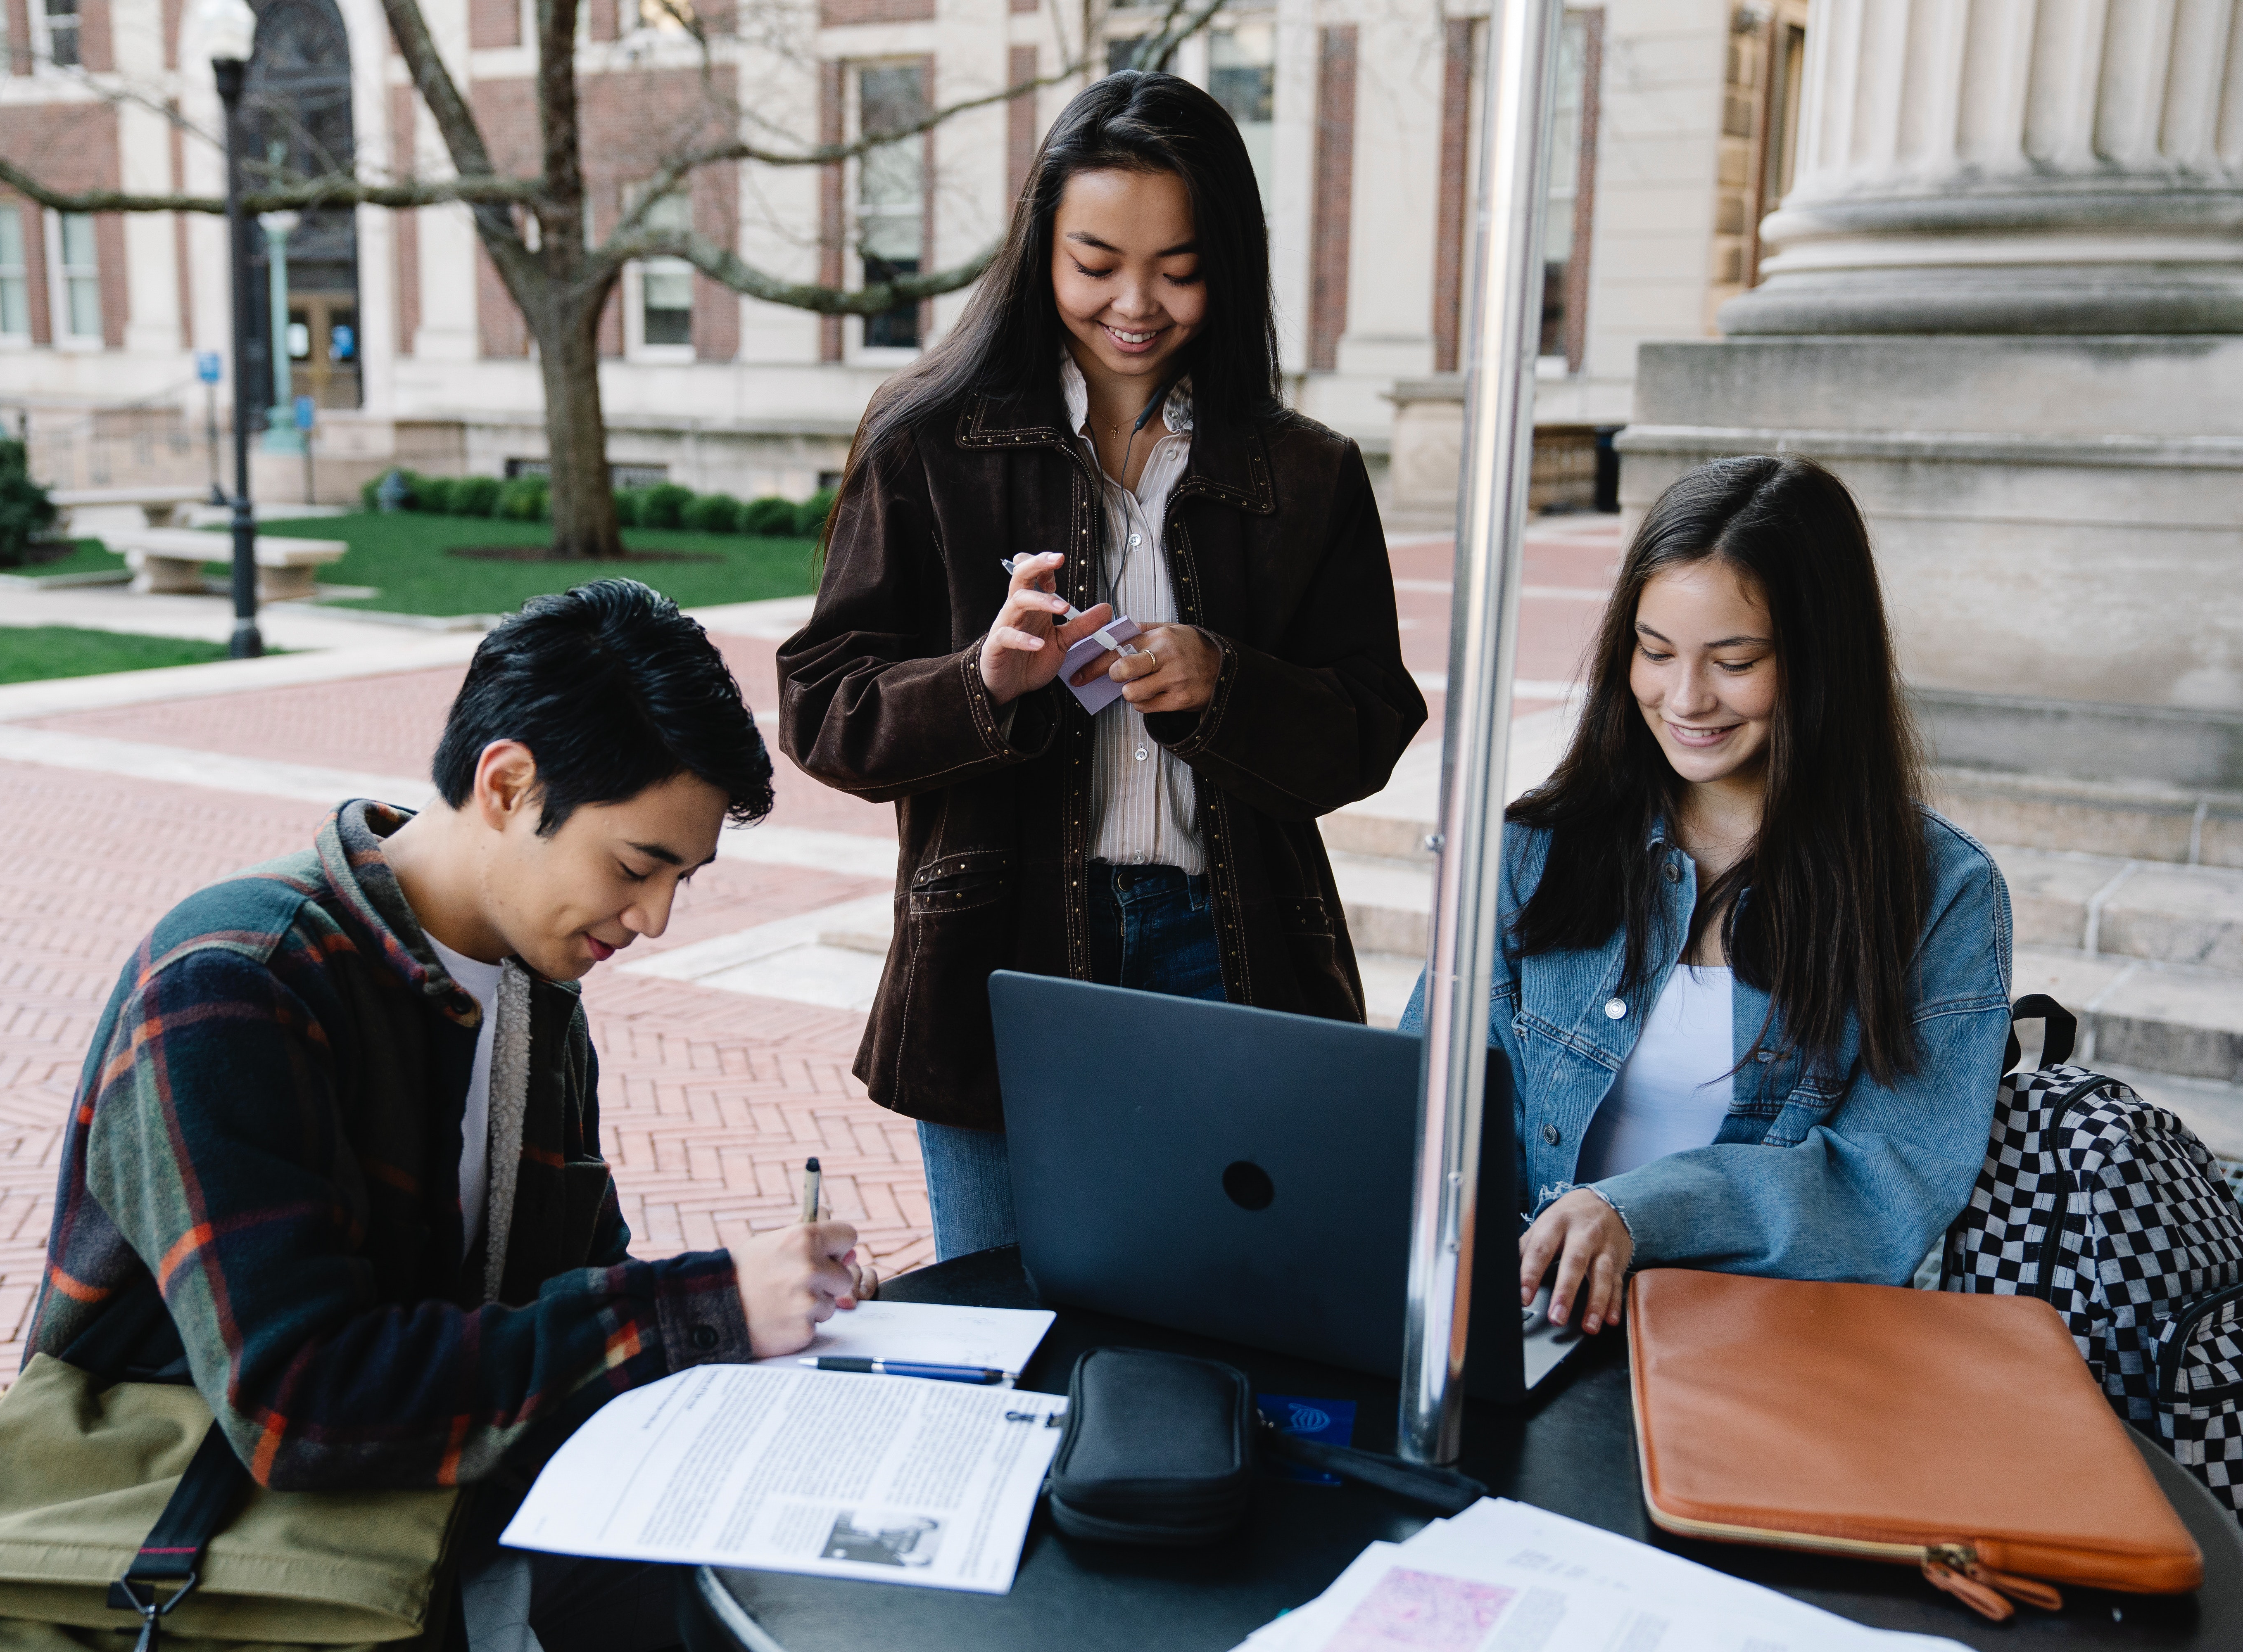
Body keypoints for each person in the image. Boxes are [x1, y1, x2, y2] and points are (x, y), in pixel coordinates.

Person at [27, 582, 874, 1652]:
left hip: (423, 1546)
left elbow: (562, 1297)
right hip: (193, 1579)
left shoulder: (537, 996)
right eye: (634, 867)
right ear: (510, 785)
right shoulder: (238, 984)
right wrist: (698, 1307)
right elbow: (299, 1400)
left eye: (683, 882)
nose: (655, 919)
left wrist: (763, 1311)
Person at [779, 71, 1425, 1260]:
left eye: (1179, 267)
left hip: (1231, 950)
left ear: (1231, 258)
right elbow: (825, 706)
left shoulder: (1308, 471)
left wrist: (1226, 685)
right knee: (1010, 1325)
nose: (1136, 303)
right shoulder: (928, 437)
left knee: (1233, 1306)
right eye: (1096, 262)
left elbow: (1371, 722)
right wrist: (986, 683)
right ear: (1041, 249)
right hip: (1000, 957)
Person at [1406, 456, 2012, 1339]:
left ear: (1822, 659)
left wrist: (1641, 1211)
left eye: (1734, 661)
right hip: (1528, 1323)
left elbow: (1889, 1181)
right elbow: (1433, 1096)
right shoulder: (1531, 850)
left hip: (1771, 1345)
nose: (1685, 698)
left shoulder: (1939, 893)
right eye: (1654, 652)